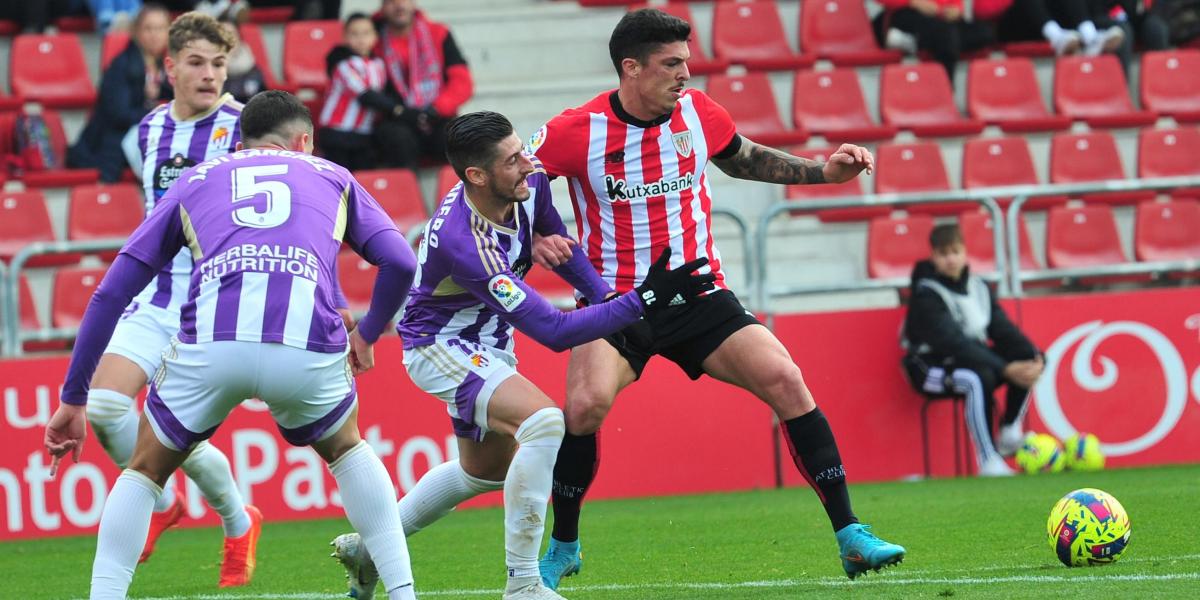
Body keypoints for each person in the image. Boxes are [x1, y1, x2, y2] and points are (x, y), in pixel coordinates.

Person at [526, 8, 906, 588]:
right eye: (671, 63)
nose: (686, 73)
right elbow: (517, 187)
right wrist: (537, 232)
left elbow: (746, 159)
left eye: (687, 61)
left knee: (786, 379)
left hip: (700, 294)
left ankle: (851, 534)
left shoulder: (698, 111)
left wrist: (824, 175)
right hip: (617, 302)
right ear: (631, 68)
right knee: (583, 408)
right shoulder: (575, 130)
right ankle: (564, 546)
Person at [43, 90, 420, 600]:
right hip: (304, 344)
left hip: (211, 345)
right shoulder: (332, 175)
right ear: (304, 140)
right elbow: (400, 261)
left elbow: (111, 290)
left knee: (146, 469)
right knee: (348, 450)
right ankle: (402, 592)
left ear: (238, 144)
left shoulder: (196, 179)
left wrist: (73, 397)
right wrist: (369, 333)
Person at [328, 111, 716, 600]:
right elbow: (553, 332)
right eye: (513, 160)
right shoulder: (463, 241)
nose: (529, 164)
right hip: (440, 345)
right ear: (477, 175)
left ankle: (367, 550)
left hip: (489, 342)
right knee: (545, 422)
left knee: (482, 471)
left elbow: (562, 245)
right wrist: (642, 302)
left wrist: (607, 300)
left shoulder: (528, 189)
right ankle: (524, 584)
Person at [84, 11, 258, 588]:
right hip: (157, 297)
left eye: (218, 64)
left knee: (176, 432)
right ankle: (165, 506)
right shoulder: (147, 132)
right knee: (106, 408)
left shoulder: (242, 126)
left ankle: (237, 519)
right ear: (169, 66)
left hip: (216, 303)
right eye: (196, 63)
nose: (210, 74)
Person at [902, 223, 1044, 477]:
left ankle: (1010, 431)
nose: (951, 259)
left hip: (970, 360)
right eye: (944, 253)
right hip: (927, 367)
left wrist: (1035, 355)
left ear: (965, 252)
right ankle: (988, 459)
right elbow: (952, 342)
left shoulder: (979, 288)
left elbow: (1002, 329)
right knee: (976, 379)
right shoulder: (926, 293)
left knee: (1026, 359)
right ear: (934, 256)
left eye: (955, 251)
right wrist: (1004, 368)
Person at [68, 3, 172, 183]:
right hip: (110, 146)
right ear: (136, 31)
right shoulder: (121, 66)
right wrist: (156, 112)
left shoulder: (165, 66)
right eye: (148, 28)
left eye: (160, 28)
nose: (155, 35)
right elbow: (119, 115)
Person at [371, 0, 473, 169]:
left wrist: (436, 109)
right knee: (397, 138)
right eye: (391, 2)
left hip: (437, 115)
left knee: (458, 137)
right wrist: (398, 111)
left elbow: (462, 82)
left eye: (404, 0)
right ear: (382, 7)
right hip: (395, 118)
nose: (399, 6)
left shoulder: (439, 33)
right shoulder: (371, 37)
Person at [318, 12, 389, 171]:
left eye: (366, 33)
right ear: (345, 37)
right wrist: (399, 109)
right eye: (354, 34)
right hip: (337, 133)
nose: (361, 39)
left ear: (375, 37)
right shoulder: (343, 64)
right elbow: (367, 96)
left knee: (361, 183)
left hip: (363, 134)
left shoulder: (379, 64)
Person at [873, 1, 994, 85]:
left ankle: (916, 42)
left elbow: (955, 4)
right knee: (946, 36)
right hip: (907, 12)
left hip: (942, 19)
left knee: (984, 32)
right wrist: (913, 2)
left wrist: (956, 10)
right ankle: (944, 92)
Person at [973, 0, 1126, 56]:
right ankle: (1057, 38)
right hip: (1009, 26)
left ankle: (1091, 36)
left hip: (1042, 23)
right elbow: (982, 10)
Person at [220, 19, 267, 103]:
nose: (228, 40)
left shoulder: (253, 69)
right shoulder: (210, 73)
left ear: (239, 37)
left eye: (231, 34)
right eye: (223, 35)